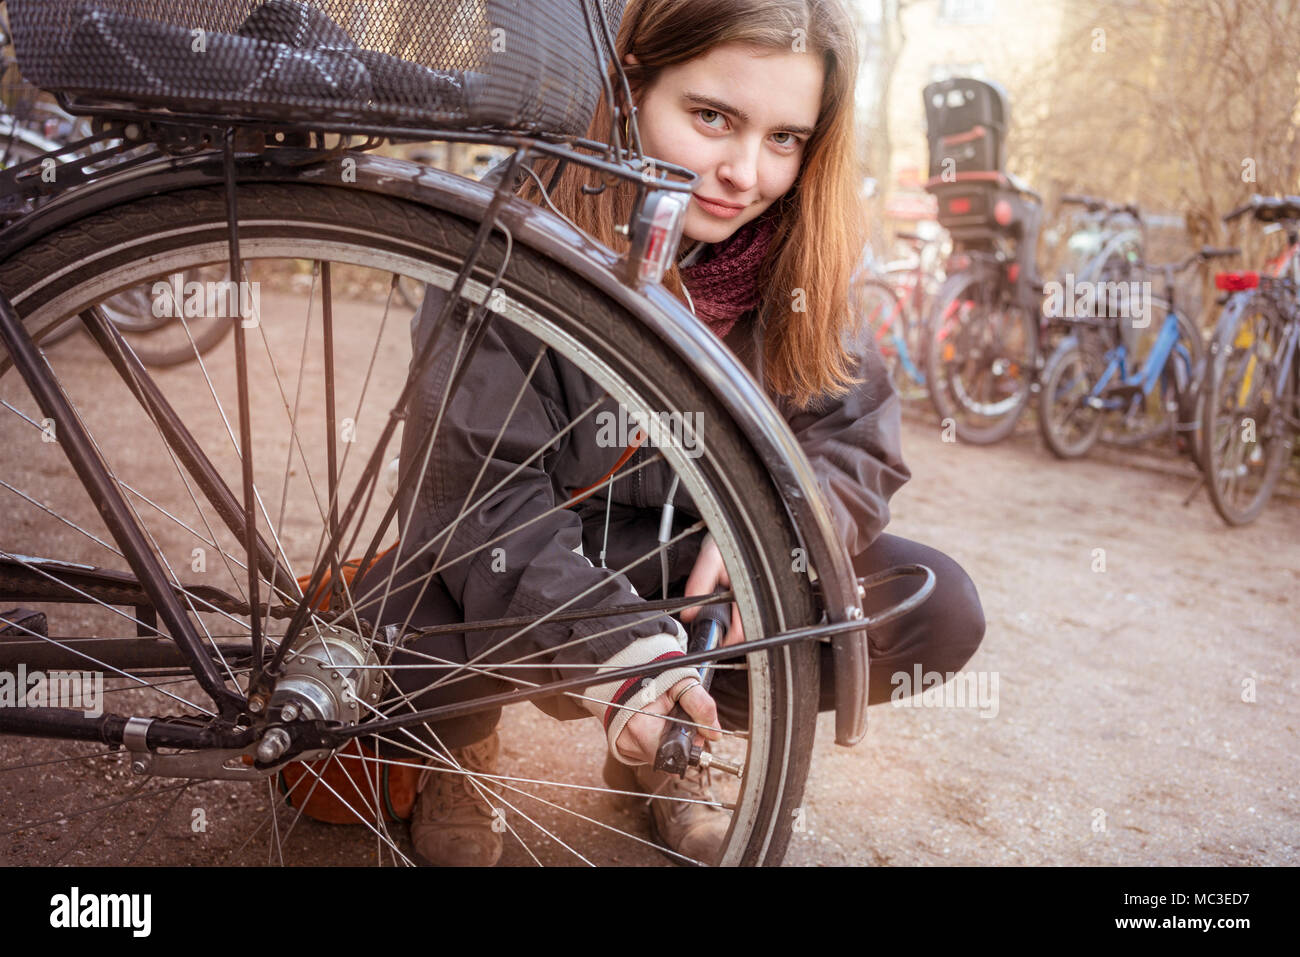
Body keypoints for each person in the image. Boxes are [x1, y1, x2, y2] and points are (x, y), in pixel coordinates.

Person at [360, 0, 984, 867]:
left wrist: (778, 538)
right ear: (631, 86)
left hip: (689, 570)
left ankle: (679, 743)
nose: (744, 172)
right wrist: (615, 648)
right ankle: (462, 745)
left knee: (933, 604)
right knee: (389, 632)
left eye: (784, 139)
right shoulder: (512, 225)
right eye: (712, 117)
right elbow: (474, 494)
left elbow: (857, 439)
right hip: (526, 559)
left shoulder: (807, 253)